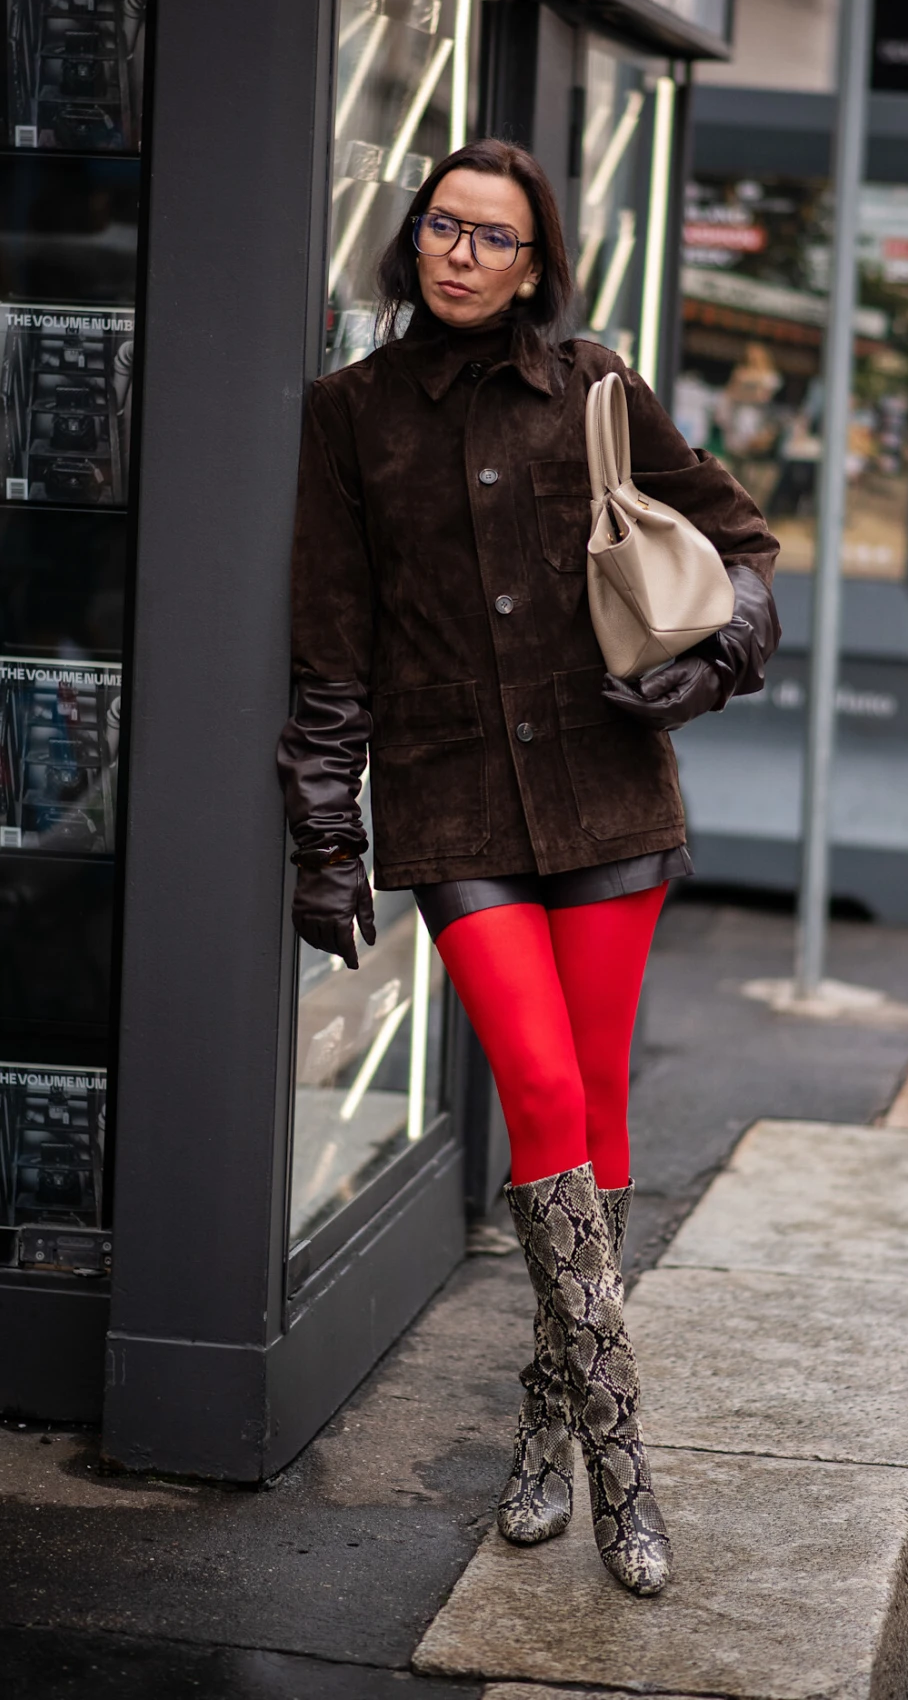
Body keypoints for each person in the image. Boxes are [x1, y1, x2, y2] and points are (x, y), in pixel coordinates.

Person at [277, 139, 780, 1596]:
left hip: (609, 790)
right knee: (542, 1093)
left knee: (601, 1105)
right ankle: (629, 1462)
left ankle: (545, 1435)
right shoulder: (349, 416)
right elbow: (327, 649)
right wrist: (326, 832)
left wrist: (716, 665)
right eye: (442, 226)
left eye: (493, 238)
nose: (461, 255)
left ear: (536, 264)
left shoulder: (598, 386)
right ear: (411, 239)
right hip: (453, 806)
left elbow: (742, 541)